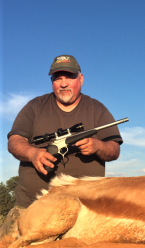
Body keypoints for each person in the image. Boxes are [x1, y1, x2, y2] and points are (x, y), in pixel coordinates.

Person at [0, 55, 123, 241]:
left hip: (86, 211)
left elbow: (114, 149)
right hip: (31, 205)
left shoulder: (98, 109)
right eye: (58, 78)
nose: (63, 83)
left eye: (69, 77)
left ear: (80, 79)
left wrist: (98, 146)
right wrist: (33, 153)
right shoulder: (34, 106)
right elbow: (15, 141)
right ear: (52, 81)